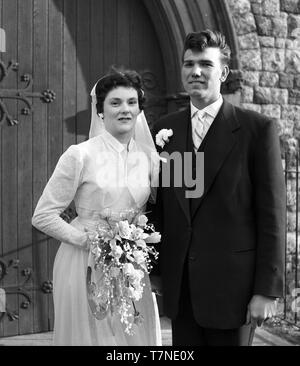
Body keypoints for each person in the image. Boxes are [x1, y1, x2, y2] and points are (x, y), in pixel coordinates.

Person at [151, 29, 286, 346]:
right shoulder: (166, 130)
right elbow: (167, 206)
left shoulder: (256, 130)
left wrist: (266, 290)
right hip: (183, 292)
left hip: (234, 291)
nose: (195, 72)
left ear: (223, 72)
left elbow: (272, 216)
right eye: (188, 64)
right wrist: (158, 271)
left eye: (205, 64)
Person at [32, 69, 162, 346]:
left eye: (131, 102)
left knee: (132, 334)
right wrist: (88, 241)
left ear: (140, 110)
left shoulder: (149, 160)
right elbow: (43, 216)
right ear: (101, 110)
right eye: (115, 103)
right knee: (90, 336)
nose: (124, 109)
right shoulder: (80, 155)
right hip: (83, 261)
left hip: (131, 264)